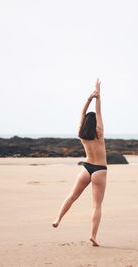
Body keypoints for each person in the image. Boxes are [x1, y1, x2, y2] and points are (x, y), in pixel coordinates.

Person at [52, 78, 107, 247]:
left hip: (86, 168)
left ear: (85, 124)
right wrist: (99, 96)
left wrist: (90, 98)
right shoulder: (99, 132)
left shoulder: (81, 134)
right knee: (96, 205)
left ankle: (58, 219)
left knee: (72, 196)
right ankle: (93, 236)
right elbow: (98, 113)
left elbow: (83, 114)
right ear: (95, 123)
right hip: (99, 170)